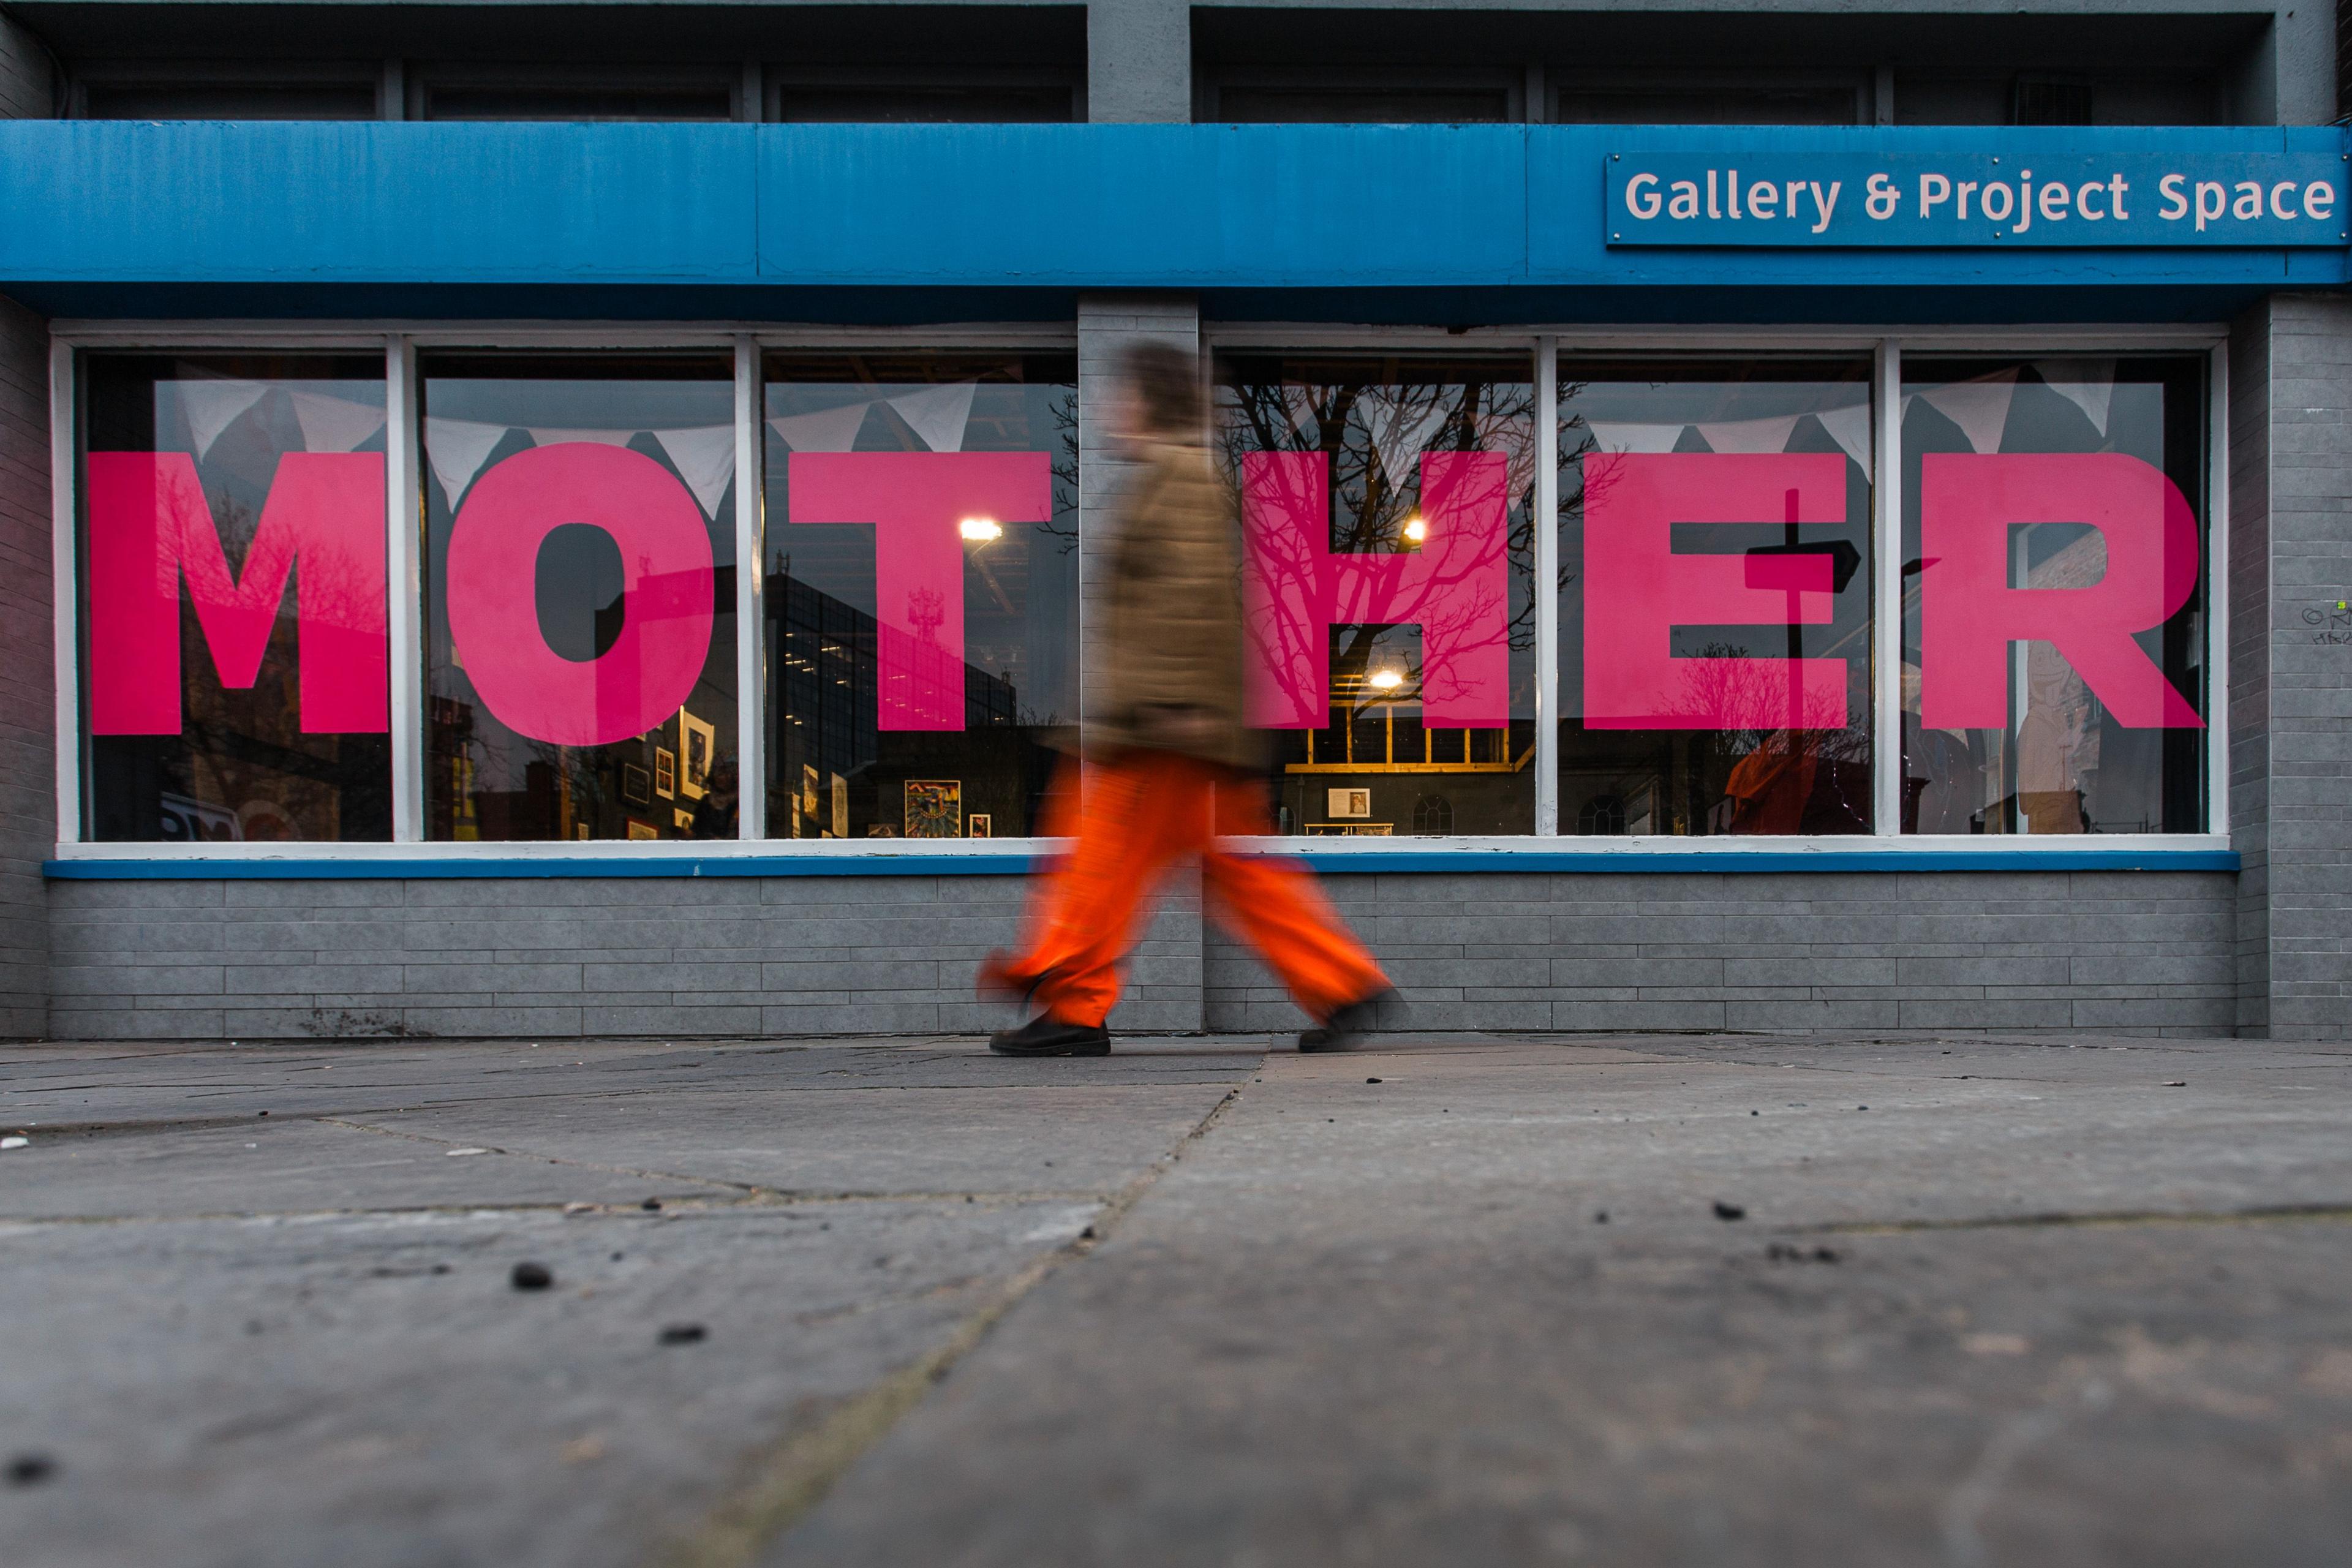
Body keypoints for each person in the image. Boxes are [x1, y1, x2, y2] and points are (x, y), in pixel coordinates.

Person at [979, 341, 1398, 1057]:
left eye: (1122, 394)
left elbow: (1190, 599)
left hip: (1161, 724)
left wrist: (1173, 706)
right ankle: (1344, 982)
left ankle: (1070, 999)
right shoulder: (1176, 476)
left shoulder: (1176, 477)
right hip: (1177, 722)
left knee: (1100, 860)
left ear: (1148, 400)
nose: (1111, 408)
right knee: (1229, 871)